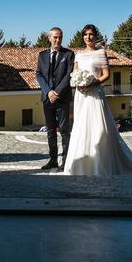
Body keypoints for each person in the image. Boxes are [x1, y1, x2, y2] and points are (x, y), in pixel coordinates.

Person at [64, 24, 132, 177]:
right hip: (81, 96)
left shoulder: (101, 53)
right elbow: (75, 73)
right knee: (81, 127)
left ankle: (101, 163)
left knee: (99, 128)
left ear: (95, 36)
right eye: (85, 34)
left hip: (95, 93)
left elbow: (106, 75)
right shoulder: (78, 54)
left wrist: (93, 82)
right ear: (82, 37)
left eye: (91, 34)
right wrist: (78, 83)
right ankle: (81, 166)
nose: (88, 37)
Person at [36, 27, 75, 170]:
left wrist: (56, 92)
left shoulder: (69, 54)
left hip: (62, 98)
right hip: (47, 99)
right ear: (49, 38)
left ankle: (65, 161)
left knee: (64, 131)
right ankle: (53, 160)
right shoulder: (42, 55)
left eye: (60, 37)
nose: (58, 40)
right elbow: (39, 74)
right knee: (50, 131)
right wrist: (48, 92)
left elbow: (69, 75)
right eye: (55, 37)